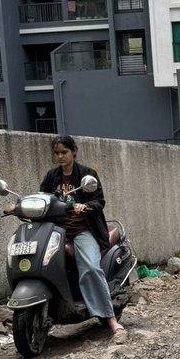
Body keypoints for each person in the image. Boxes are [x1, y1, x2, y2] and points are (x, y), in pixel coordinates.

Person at [39, 135, 125, 335]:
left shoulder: (87, 174)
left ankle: (110, 318)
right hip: (57, 231)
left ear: (74, 151)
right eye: (57, 153)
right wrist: (17, 206)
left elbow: (99, 201)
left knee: (91, 268)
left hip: (82, 230)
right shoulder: (51, 177)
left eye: (64, 152)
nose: (60, 156)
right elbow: (43, 197)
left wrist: (84, 205)